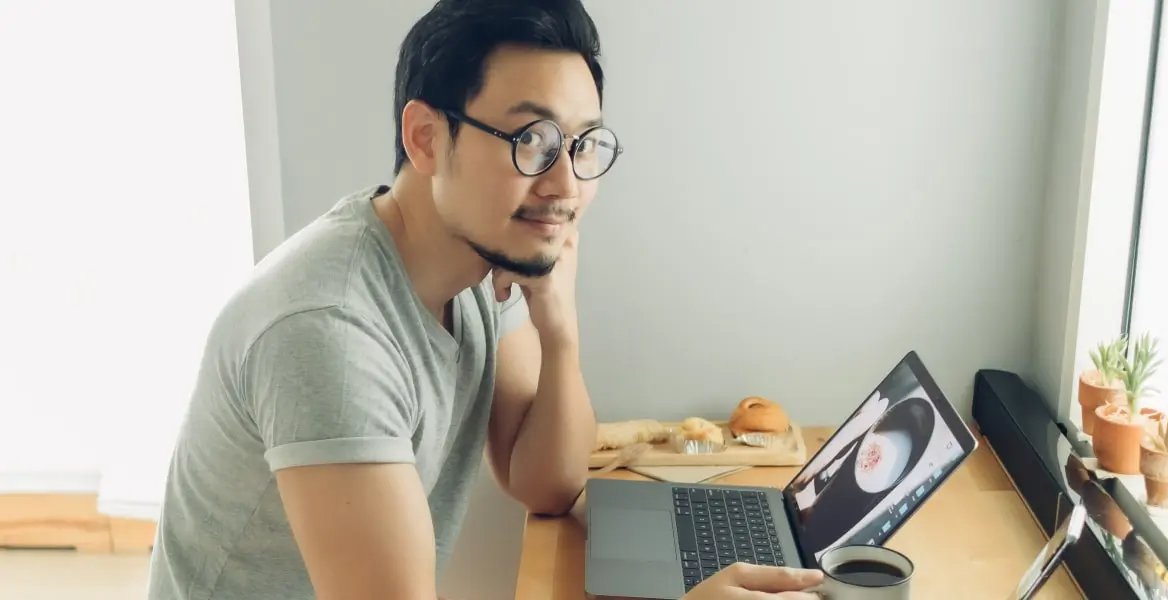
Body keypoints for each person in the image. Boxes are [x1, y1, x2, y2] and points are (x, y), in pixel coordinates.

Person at [146, 1, 823, 598]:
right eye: (533, 140)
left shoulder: (477, 258)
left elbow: (546, 484)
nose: (565, 185)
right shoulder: (331, 333)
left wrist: (559, 333)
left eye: (584, 143)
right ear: (426, 138)